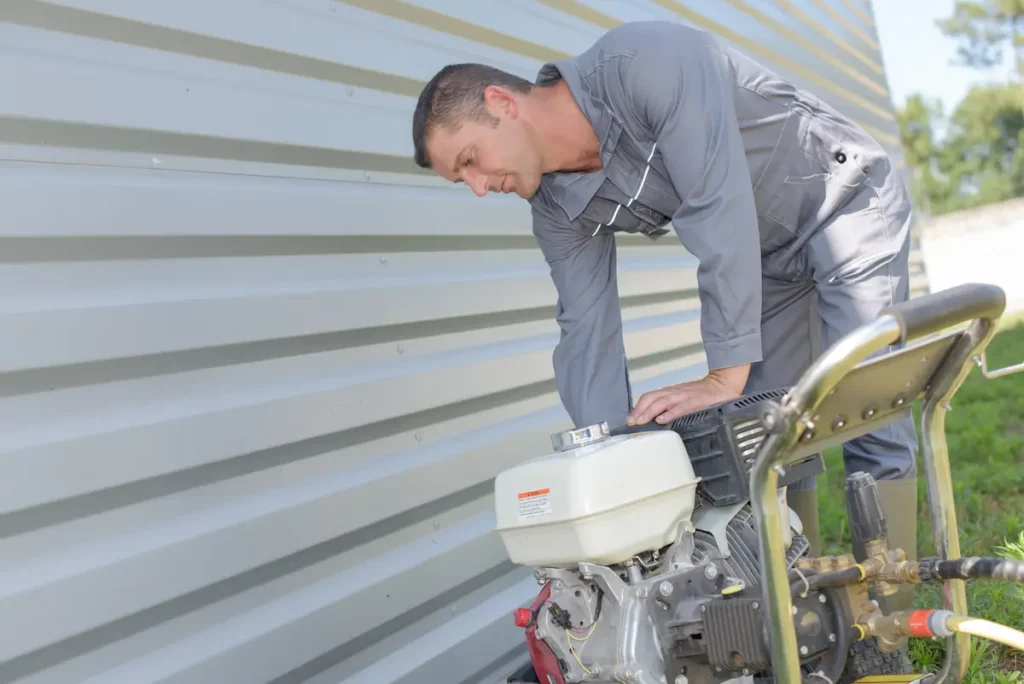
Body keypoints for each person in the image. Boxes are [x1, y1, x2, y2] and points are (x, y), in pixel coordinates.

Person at [410, 20, 918, 624]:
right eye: (458, 178)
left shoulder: (648, 62)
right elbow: (586, 330)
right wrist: (604, 464)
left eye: (469, 160)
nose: (475, 187)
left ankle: (893, 626)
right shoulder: (553, 209)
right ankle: (803, 624)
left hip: (843, 203)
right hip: (764, 263)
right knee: (768, 441)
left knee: (870, 417)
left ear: (501, 103)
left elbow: (716, 205)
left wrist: (723, 376)